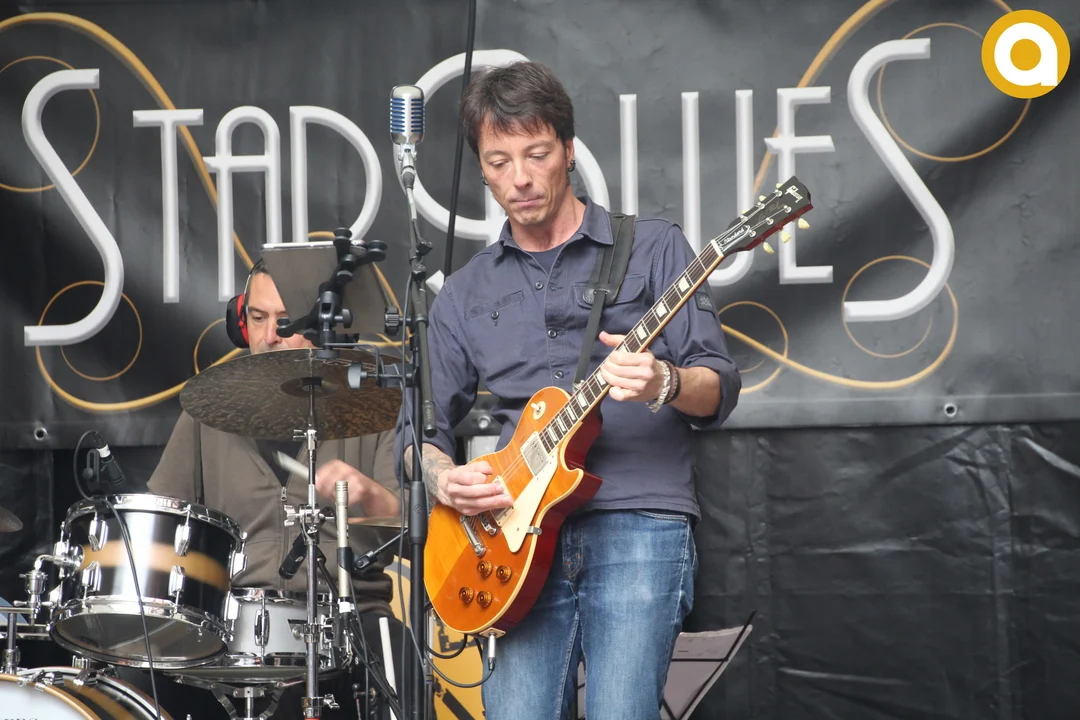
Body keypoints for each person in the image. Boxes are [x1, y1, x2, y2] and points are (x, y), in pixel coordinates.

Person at [395, 61, 742, 719]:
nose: (520, 178)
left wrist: (664, 380)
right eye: (499, 162)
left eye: (537, 154)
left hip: (638, 518)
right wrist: (442, 479)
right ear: (483, 170)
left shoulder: (653, 248)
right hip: (511, 539)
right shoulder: (465, 292)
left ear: (569, 150)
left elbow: (718, 389)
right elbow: (417, 433)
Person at [142, 260, 407, 720]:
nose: (268, 337)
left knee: (400, 658)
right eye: (257, 318)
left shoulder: (377, 403)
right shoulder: (207, 407)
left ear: (324, 327)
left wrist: (366, 492)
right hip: (232, 622)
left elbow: (407, 526)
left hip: (350, 615)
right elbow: (162, 523)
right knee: (141, 671)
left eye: (285, 323)